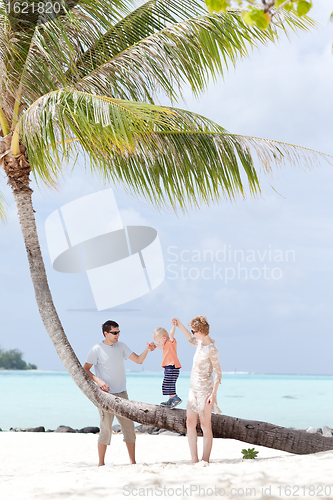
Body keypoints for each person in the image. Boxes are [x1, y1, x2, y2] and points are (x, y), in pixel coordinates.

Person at [83, 320, 155, 466]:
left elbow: (139, 361)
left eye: (118, 332)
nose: (117, 335)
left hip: (122, 394)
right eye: (114, 333)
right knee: (105, 430)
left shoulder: (121, 346)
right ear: (106, 333)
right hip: (105, 396)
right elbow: (85, 369)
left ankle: (132, 462)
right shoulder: (96, 349)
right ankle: (101, 463)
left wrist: (147, 350)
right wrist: (98, 381)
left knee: (129, 428)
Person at [172, 316, 222, 464]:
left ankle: (205, 460)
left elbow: (218, 373)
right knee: (190, 422)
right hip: (193, 390)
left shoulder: (212, 349)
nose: (192, 333)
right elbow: (189, 338)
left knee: (205, 425)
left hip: (205, 392)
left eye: (194, 331)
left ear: (200, 331)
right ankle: (194, 460)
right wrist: (179, 324)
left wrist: (213, 394)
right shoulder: (199, 343)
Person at [152, 324, 182, 408]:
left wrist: (174, 326)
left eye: (159, 341)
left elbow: (171, 334)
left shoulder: (171, 342)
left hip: (172, 366)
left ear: (164, 338)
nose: (159, 343)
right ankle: (170, 400)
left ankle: (175, 398)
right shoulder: (165, 345)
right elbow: (162, 347)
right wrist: (155, 345)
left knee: (168, 384)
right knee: (169, 384)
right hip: (168, 367)